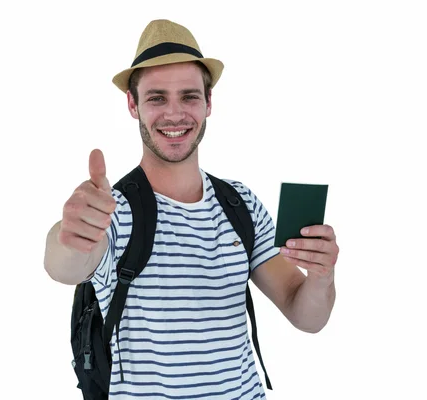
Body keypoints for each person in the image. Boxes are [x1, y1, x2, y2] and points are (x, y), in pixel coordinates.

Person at [44, 19, 339, 399]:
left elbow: (307, 317)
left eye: (188, 96)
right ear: (133, 105)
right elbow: (64, 266)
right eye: (156, 98)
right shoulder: (111, 210)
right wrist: (68, 236)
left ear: (209, 102)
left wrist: (321, 277)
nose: (174, 114)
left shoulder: (241, 204)